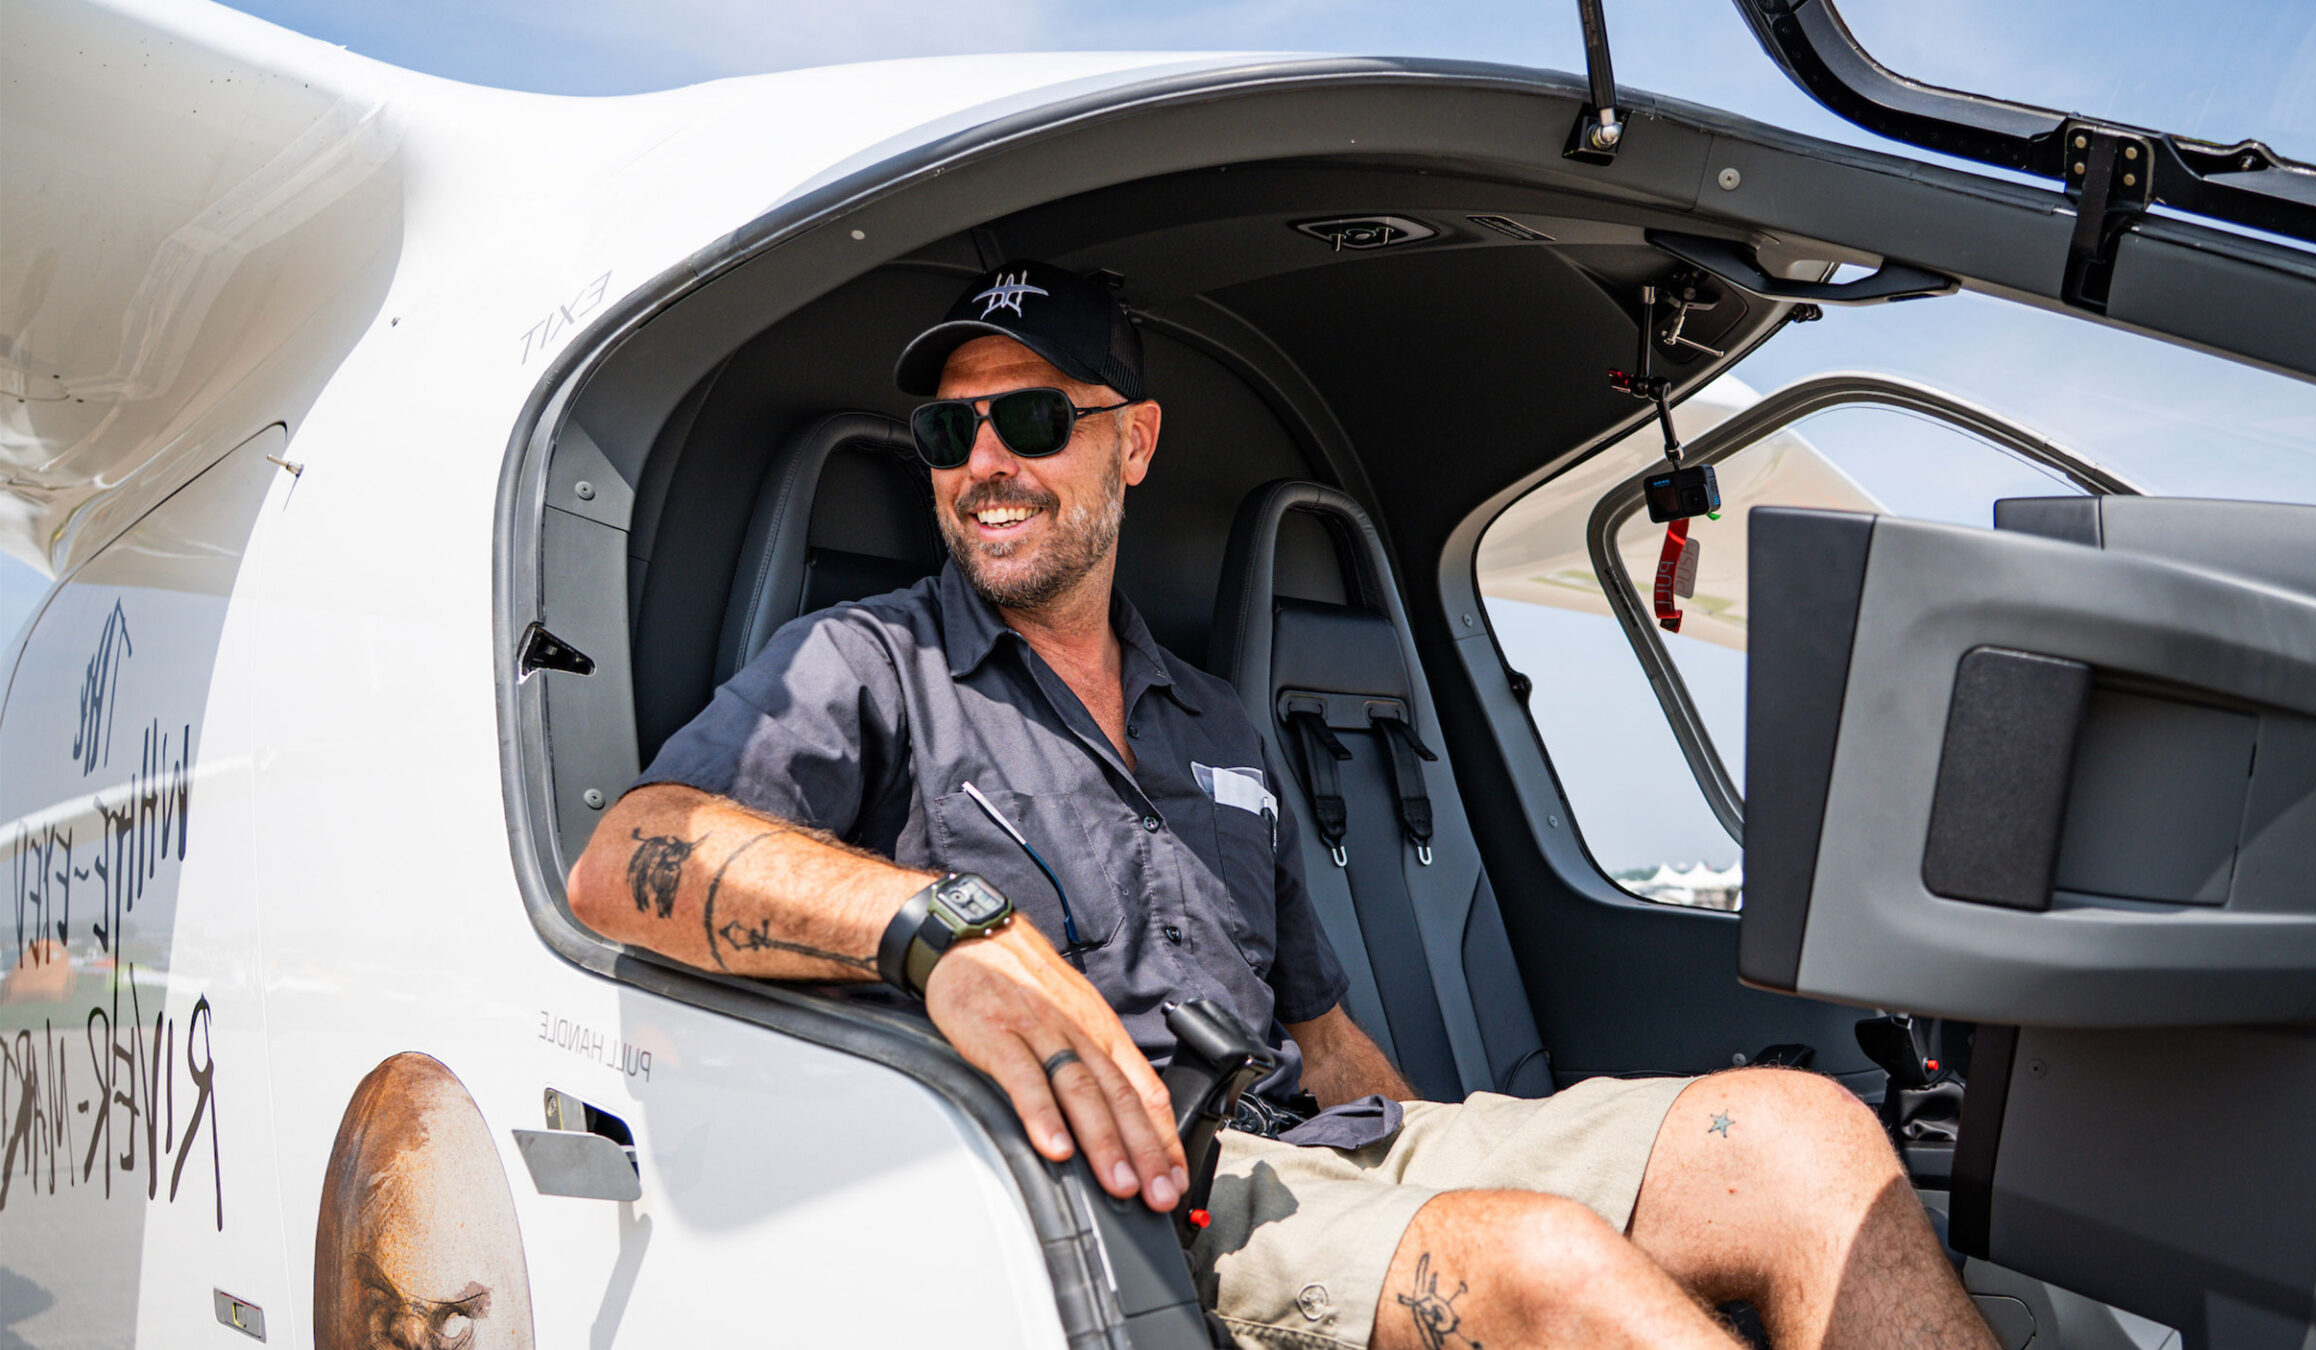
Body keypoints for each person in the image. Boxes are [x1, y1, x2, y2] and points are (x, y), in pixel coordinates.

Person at [568, 261, 1997, 1350]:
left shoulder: (1216, 721)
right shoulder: (868, 663)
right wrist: (941, 928)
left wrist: (1446, 1159)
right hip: (1133, 1193)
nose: (984, 462)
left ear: (1131, 441)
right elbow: (624, 860)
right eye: (950, 433)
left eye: (1031, 420)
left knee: (1807, 1137)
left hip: (1328, 1143)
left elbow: (1320, 1034)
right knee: (1547, 1266)